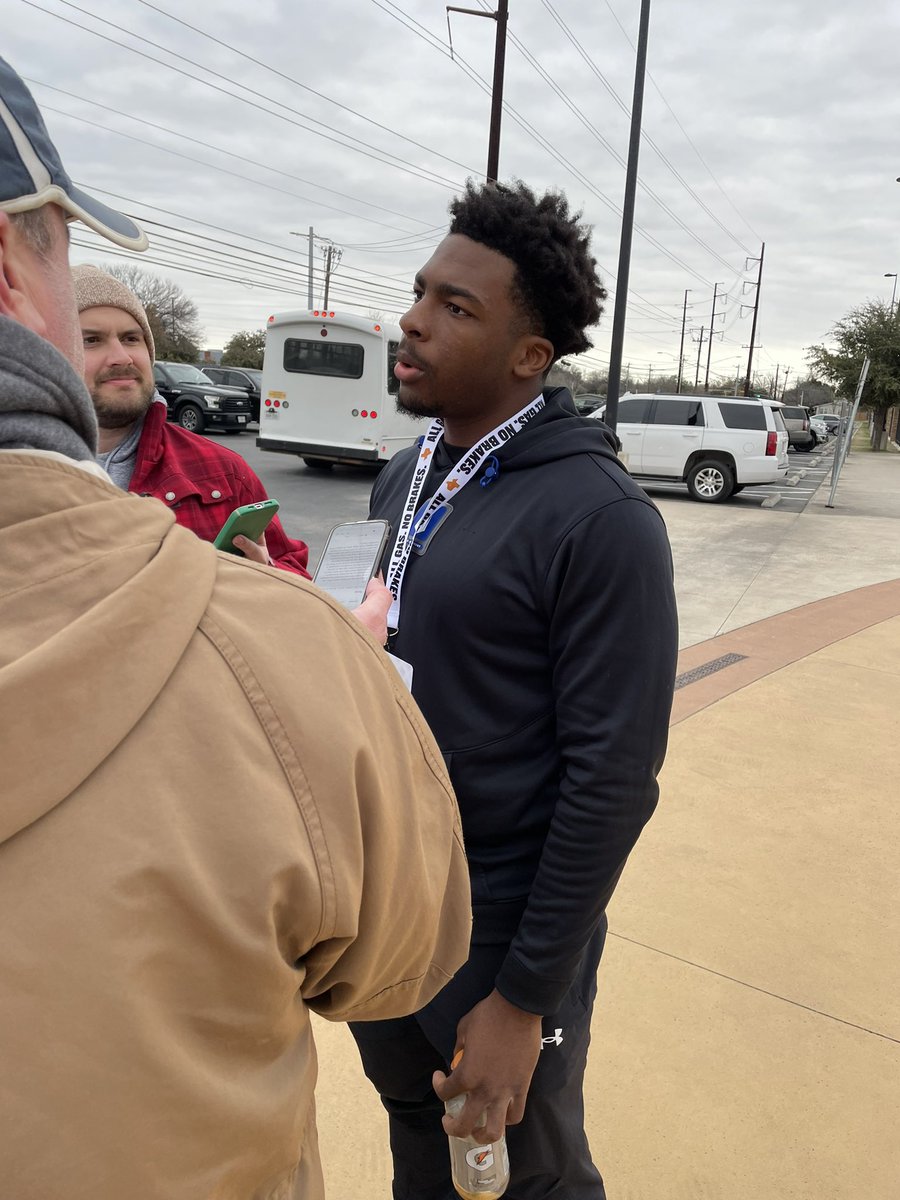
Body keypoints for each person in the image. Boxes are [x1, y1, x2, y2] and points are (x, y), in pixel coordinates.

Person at [0, 55, 471, 1200]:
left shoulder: (210, 471)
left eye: (447, 310)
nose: (413, 335)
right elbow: (402, 959)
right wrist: (318, 656)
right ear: (17, 273)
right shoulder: (277, 657)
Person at [350, 180, 679, 1199]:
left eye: (457, 308)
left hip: (497, 930)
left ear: (531, 358)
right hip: (392, 905)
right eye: (420, 294)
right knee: (419, 1142)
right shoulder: (406, 473)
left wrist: (524, 999)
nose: (414, 319)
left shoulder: (601, 519)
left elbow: (613, 779)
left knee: (519, 1174)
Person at [72, 263, 311, 573]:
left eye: (132, 338)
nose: (122, 356)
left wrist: (267, 573)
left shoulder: (225, 472)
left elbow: (297, 576)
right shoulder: (17, 471)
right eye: (91, 340)